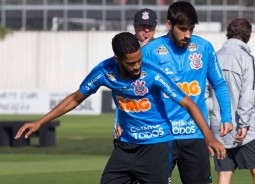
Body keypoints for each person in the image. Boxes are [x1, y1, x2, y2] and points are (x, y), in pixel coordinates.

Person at [15, 32, 226, 184]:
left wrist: (208, 136)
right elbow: (75, 98)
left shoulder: (153, 73)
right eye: (131, 63)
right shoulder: (105, 72)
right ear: (117, 59)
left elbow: (188, 102)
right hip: (126, 147)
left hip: (156, 147)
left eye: (139, 61)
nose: (137, 67)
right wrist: (40, 122)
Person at [141, 1, 233, 184]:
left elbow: (219, 84)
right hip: (161, 135)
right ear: (169, 25)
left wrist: (227, 116)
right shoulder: (150, 51)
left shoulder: (204, 47)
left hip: (196, 134)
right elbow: (136, 91)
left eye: (191, 29)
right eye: (182, 29)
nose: (187, 35)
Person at [209, 18, 255, 184]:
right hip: (243, 129)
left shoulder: (214, 57)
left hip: (219, 127)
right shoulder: (247, 59)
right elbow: (247, 96)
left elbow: (205, 91)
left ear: (228, 33)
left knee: (225, 174)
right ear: (248, 35)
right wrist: (244, 123)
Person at [113, 8, 158, 141]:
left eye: (150, 26)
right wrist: (118, 121)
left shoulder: (162, 49)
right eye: (142, 26)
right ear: (134, 26)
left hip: (155, 115)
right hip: (130, 113)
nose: (146, 30)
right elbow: (119, 89)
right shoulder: (124, 50)